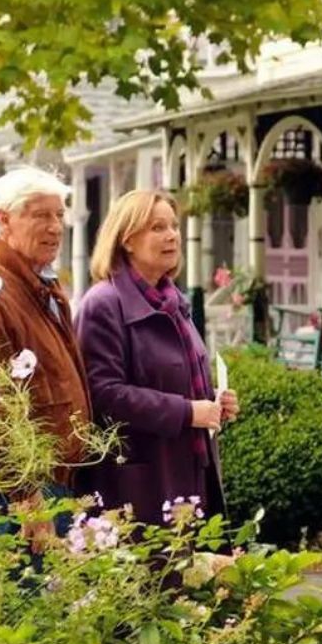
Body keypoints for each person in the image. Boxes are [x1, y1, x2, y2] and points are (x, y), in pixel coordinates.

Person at [0, 166, 92, 551]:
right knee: (25, 606)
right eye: (41, 215)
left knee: (51, 607)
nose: (56, 227)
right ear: (3, 220)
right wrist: (27, 500)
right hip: (16, 497)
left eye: (59, 215)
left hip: (52, 484)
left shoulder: (39, 286)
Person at [74, 189, 238, 530]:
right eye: (157, 227)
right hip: (135, 485)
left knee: (188, 577)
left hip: (188, 473)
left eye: (174, 226)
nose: (172, 236)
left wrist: (213, 403)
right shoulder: (103, 304)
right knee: (153, 578)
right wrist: (188, 412)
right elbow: (102, 393)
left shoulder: (173, 301)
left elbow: (179, 377)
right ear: (127, 240)